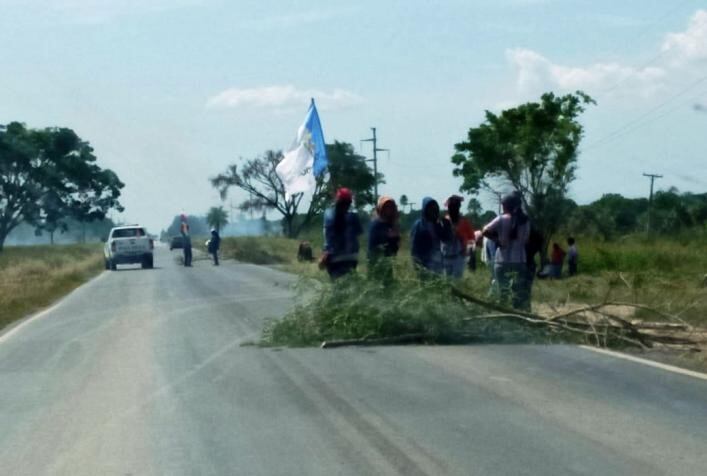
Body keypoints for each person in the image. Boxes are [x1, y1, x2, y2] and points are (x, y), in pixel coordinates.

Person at [482, 192, 530, 308]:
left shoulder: (501, 219)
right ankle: (519, 315)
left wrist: (497, 240)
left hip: (502, 261)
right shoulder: (526, 221)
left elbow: (485, 230)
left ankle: (504, 316)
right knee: (518, 293)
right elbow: (526, 240)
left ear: (506, 206)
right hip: (519, 261)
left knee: (503, 293)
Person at [321, 188, 363, 279]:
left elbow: (327, 237)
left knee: (337, 286)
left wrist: (325, 252)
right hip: (351, 258)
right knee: (349, 286)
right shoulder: (353, 217)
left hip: (333, 258)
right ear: (349, 203)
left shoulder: (328, 214)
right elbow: (358, 235)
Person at [410, 197, 452, 275]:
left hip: (438, 263)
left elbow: (447, 239)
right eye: (430, 208)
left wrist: (447, 227)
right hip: (424, 263)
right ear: (425, 209)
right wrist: (416, 264)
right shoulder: (418, 225)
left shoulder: (438, 224)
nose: (433, 210)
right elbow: (414, 247)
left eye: (435, 208)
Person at [442, 195, 475, 279]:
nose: (453, 208)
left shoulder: (464, 222)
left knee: (456, 281)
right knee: (446, 281)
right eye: (451, 206)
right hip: (445, 256)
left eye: (455, 206)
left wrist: (471, 255)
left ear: (459, 207)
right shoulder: (444, 221)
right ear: (448, 207)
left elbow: (471, 239)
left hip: (459, 256)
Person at [368, 196, 401, 281]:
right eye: (386, 207)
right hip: (377, 265)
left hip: (386, 264)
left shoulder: (389, 225)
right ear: (380, 209)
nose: (388, 209)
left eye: (391, 207)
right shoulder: (377, 224)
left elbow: (394, 249)